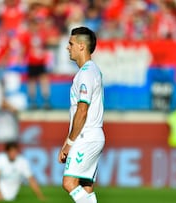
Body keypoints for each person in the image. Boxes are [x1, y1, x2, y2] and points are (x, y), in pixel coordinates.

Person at [58, 27, 105, 203]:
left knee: (69, 183)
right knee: (85, 185)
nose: (67, 47)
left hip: (87, 135)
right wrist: (67, 141)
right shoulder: (92, 71)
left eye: (70, 44)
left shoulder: (86, 74)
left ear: (81, 46)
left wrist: (70, 143)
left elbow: (82, 110)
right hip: (92, 135)